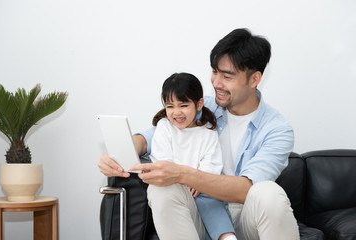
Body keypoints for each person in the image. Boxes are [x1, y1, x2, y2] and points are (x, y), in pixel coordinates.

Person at [99, 28, 299, 240]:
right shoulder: (201, 106)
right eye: (215, 71)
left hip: (247, 220)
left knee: (268, 193)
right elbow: (149, 138)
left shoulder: (277, 130)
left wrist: (183, 173)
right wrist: (118, 153)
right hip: (199, 217)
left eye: (227, 76)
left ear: (254, 79)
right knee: (161, 189)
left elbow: (245, 190)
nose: (216, 82)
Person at [148, 72, 236, 240]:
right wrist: (186, 179)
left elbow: (212, 160)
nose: (176, 112)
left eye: (183, 105)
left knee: (212, 201)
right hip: (176, 188)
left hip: (201, 188)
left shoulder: (208, 130)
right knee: (165, 190)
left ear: (199, 104)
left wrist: (200, 177)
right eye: (170, 106)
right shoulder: (164, 127)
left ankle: (226, 236)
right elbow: (163, 160)